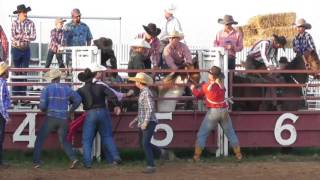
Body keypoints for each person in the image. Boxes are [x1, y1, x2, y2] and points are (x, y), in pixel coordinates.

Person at [190, 66, 242, 161]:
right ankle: (238, 155)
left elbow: (198, 95)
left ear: (211, 75)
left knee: (202, 134)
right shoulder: (222, 86)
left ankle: (196, 156)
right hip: (224, 111)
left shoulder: (206, 86)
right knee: (230, 133)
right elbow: (221, 88)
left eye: (209, 73)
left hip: (213, 113)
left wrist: (193, 88)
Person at [33, 69, 81, 169]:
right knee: (64, 140)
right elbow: (78, 99)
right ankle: (73, 159)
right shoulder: (66, 88)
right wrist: (71, 110)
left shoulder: (47, 89)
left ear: (51, 78)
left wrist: (44, 110)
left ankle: (37, 162)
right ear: (59, 78)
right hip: (63, 118)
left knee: (40, 139)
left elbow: (42, 105)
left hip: (51, 117)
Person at [77, 68, 122, 168]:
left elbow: (75, 100)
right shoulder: (100, 86)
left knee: (87, 140)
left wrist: (71, 109)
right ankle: (115, 156)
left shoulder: (81, 90)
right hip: (102, 111)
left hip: (90, 113)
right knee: (107, 137)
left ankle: (87, 163)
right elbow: (112, 94)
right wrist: (116, 105)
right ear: (93, 76)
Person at [128, 73, 168, 174]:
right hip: (147, 121)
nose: (135, 82)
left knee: (145, 143)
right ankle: (160, 153)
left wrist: (145, 121)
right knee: (144, 143)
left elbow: (149, 109)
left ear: (140, 82)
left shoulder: (145, 93)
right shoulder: (144, 92)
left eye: (136, 80)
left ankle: (151, 165)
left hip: (149, 121)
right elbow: (144, 110)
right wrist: (135, 121)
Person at [11, 4, 36, 100]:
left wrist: (20, 35)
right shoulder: (14, 23)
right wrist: (25, 36)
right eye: (24, 12)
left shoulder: (31, 23)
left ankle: (23, 96)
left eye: (26, 12)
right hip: (16, 49)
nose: (25, 14)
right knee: (16, 72)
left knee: (24, 72)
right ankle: (16, 96)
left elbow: (34, 37)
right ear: (19, 13)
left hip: (25, 49)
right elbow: (12, 37)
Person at [0, 62, 10, 168]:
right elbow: (1, 101)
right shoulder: (2, 83)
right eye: (7, 70)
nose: (8, 72)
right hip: (0, 113)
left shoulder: (2, 82)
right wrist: (6, 115)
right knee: (0, 137)